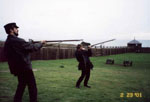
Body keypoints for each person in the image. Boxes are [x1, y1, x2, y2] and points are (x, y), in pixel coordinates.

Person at [3, 22, 46, 102]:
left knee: (21, 86)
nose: (17, 29)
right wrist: (41, 43)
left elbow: (22, 48)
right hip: (25, 68)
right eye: (16, 28)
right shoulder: (17, 40)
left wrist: (29, 43)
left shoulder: (8, 42)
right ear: (11, 30)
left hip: (17, 69)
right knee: (32, 87)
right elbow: (31, 47)